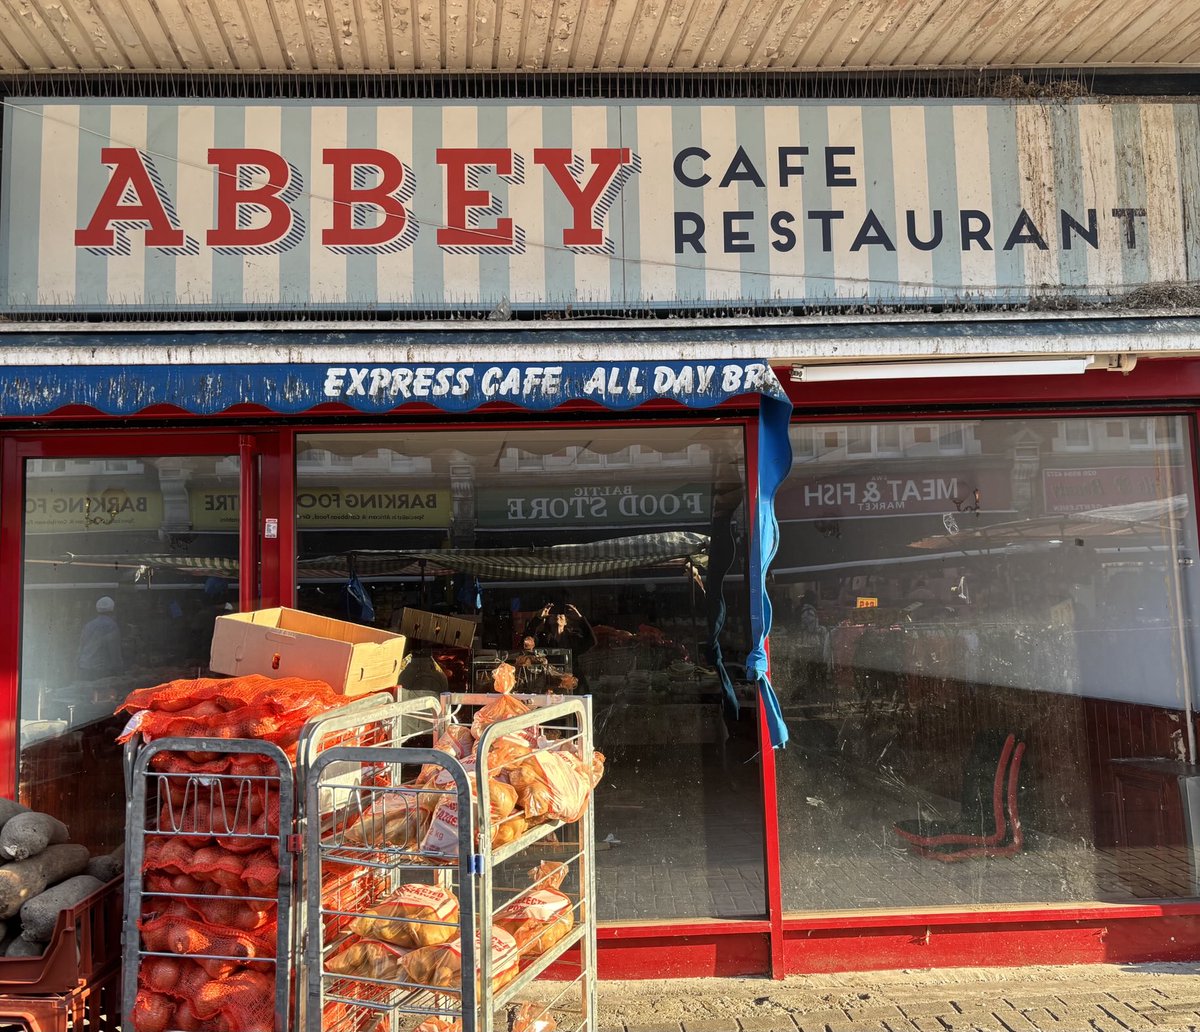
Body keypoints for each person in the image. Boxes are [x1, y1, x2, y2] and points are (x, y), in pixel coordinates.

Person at [78, 596, 124, 680]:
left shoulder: (89, 625)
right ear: (113, 610)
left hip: (84, 667)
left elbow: (81, 646)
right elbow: (114, 650)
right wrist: (119, 670)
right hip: (101, 671)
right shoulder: (111, 626)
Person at [525, 603, 596, 657]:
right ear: (548, 620)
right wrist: (538, 619)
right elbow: (526, 643)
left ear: (566, 622)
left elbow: (591, 641)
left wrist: (580, 619)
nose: (557, 615)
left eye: (561, 614)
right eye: (553, 614)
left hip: (570, 675)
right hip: (549, 674)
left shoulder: (573, 638)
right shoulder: (541, 639)